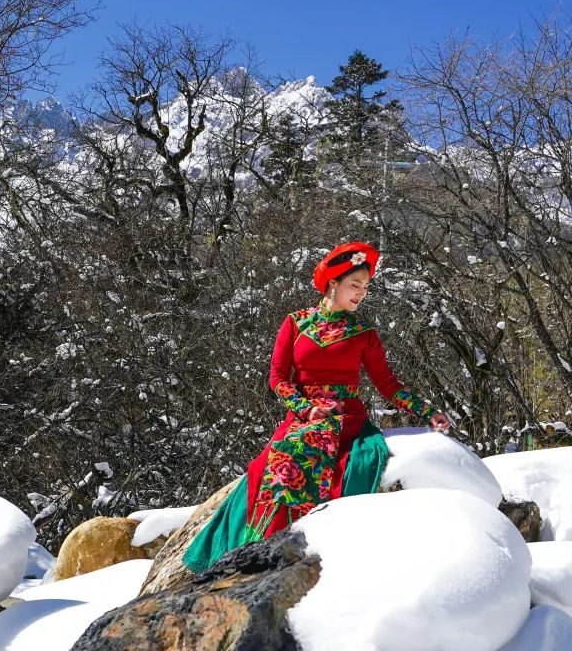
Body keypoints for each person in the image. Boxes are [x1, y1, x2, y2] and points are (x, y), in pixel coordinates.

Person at [183, 241, 450, 571]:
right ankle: (257, 551)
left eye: (365, 287)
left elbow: (388, 386)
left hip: (345, 420)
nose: (361, 293)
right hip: (303, 415)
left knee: (328, 462)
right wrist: (303, 407)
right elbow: (278, 378)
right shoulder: (295, 323)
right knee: (266, 467)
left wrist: (427, 412)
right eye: (355, 285)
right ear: (333, 283)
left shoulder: (363, 333)